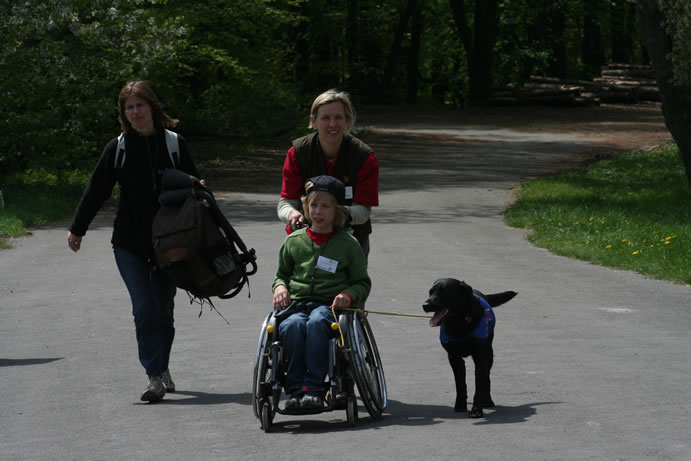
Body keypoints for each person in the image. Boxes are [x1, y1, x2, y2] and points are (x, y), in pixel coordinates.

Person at [67, 80, 200, 403]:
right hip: (129, 243)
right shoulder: (119, 148)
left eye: (140, 105)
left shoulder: (174, 144)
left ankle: (162, 366)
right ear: (123, 113)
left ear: (152, 107)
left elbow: (195, 189)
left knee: (163, 312)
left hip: (169, 244)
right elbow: (96, 190)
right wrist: (78, 228)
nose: (136, 111)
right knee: (144, 309)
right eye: (130, 107)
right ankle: (154, 376)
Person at [272, 175, 371, 410]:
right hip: (296, 305)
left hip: (330, 307)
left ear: (337, 211)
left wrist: (348, 295)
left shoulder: (348, 244)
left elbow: (362, 282)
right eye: (313, 205)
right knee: (292, 325)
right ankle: (296, 389)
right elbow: (281, 275)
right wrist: (280, 287)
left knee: (317, 322)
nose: (318, 211)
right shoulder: (293, 241)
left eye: (325, 206)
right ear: (306, 207)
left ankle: (313, 389)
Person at [277, 89, 379, 259]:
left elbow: (363, 211)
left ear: (347, 120)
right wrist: (292, 214)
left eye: (338, 117)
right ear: (313, 120)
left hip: (351, 240)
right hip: (305, 239)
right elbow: (285, 203)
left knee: (351, 278)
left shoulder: (364, 156)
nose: (333, 124)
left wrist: (335, 214)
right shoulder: (297, 153)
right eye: (325, 118)